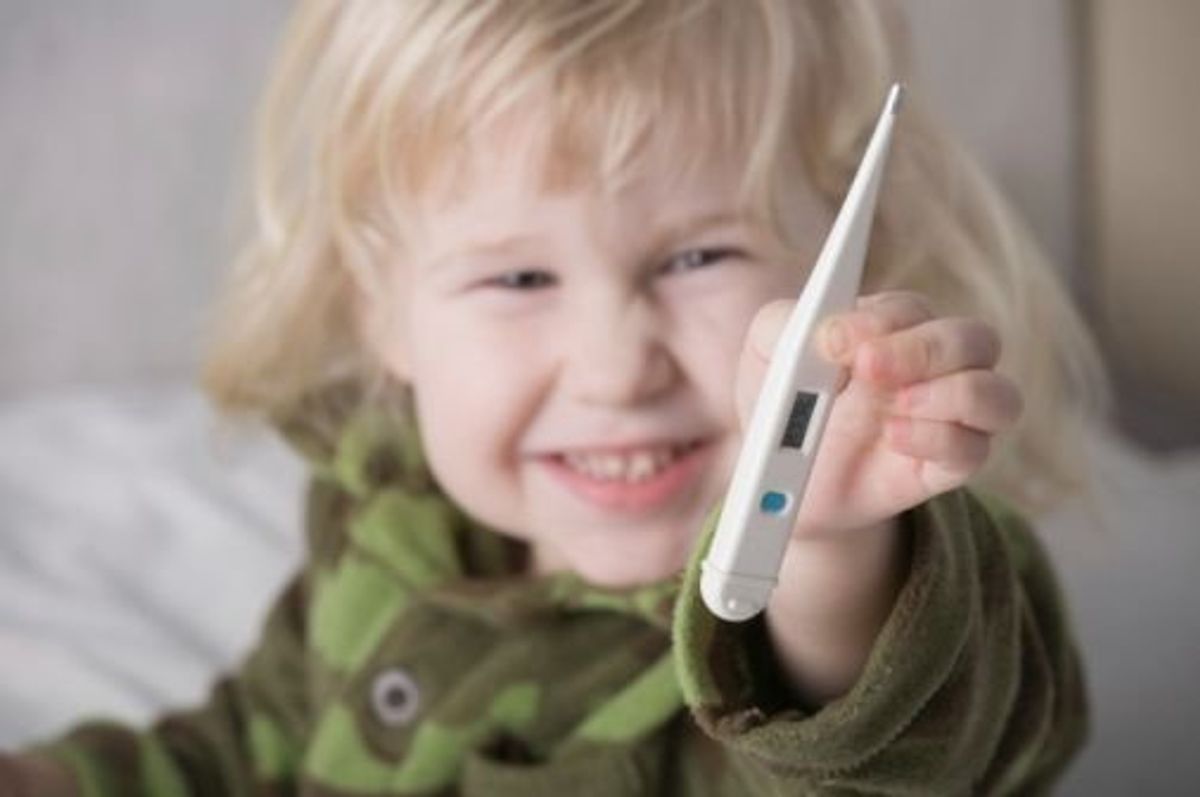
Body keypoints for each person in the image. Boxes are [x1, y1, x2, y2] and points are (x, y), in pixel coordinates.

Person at [1, 0, 1109, 793]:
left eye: (699, 258)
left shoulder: (901, 577)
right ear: (382, 313)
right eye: (519, 277)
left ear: (853, 263)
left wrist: (823, 546)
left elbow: (904, 762)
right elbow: (257, 743)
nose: (615, 366)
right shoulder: (390, 533)